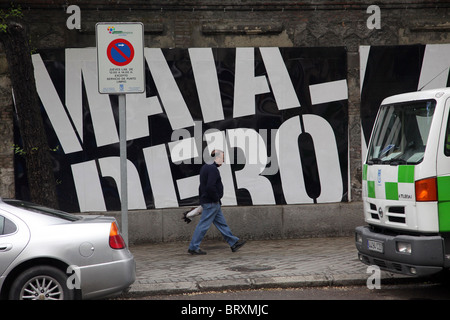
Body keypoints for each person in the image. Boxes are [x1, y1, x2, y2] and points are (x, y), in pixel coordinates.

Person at [188, 150, 246, 255]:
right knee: (203, 225)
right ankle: (193, 247)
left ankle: (233, 243)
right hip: (211, 202)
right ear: (216, 158)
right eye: (222, 158)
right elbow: (210, 186)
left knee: (222, 224)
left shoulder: (205, 167)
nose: (223, 161)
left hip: (212, 202)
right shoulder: (212, 169)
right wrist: (215, 198)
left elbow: (202, 186)